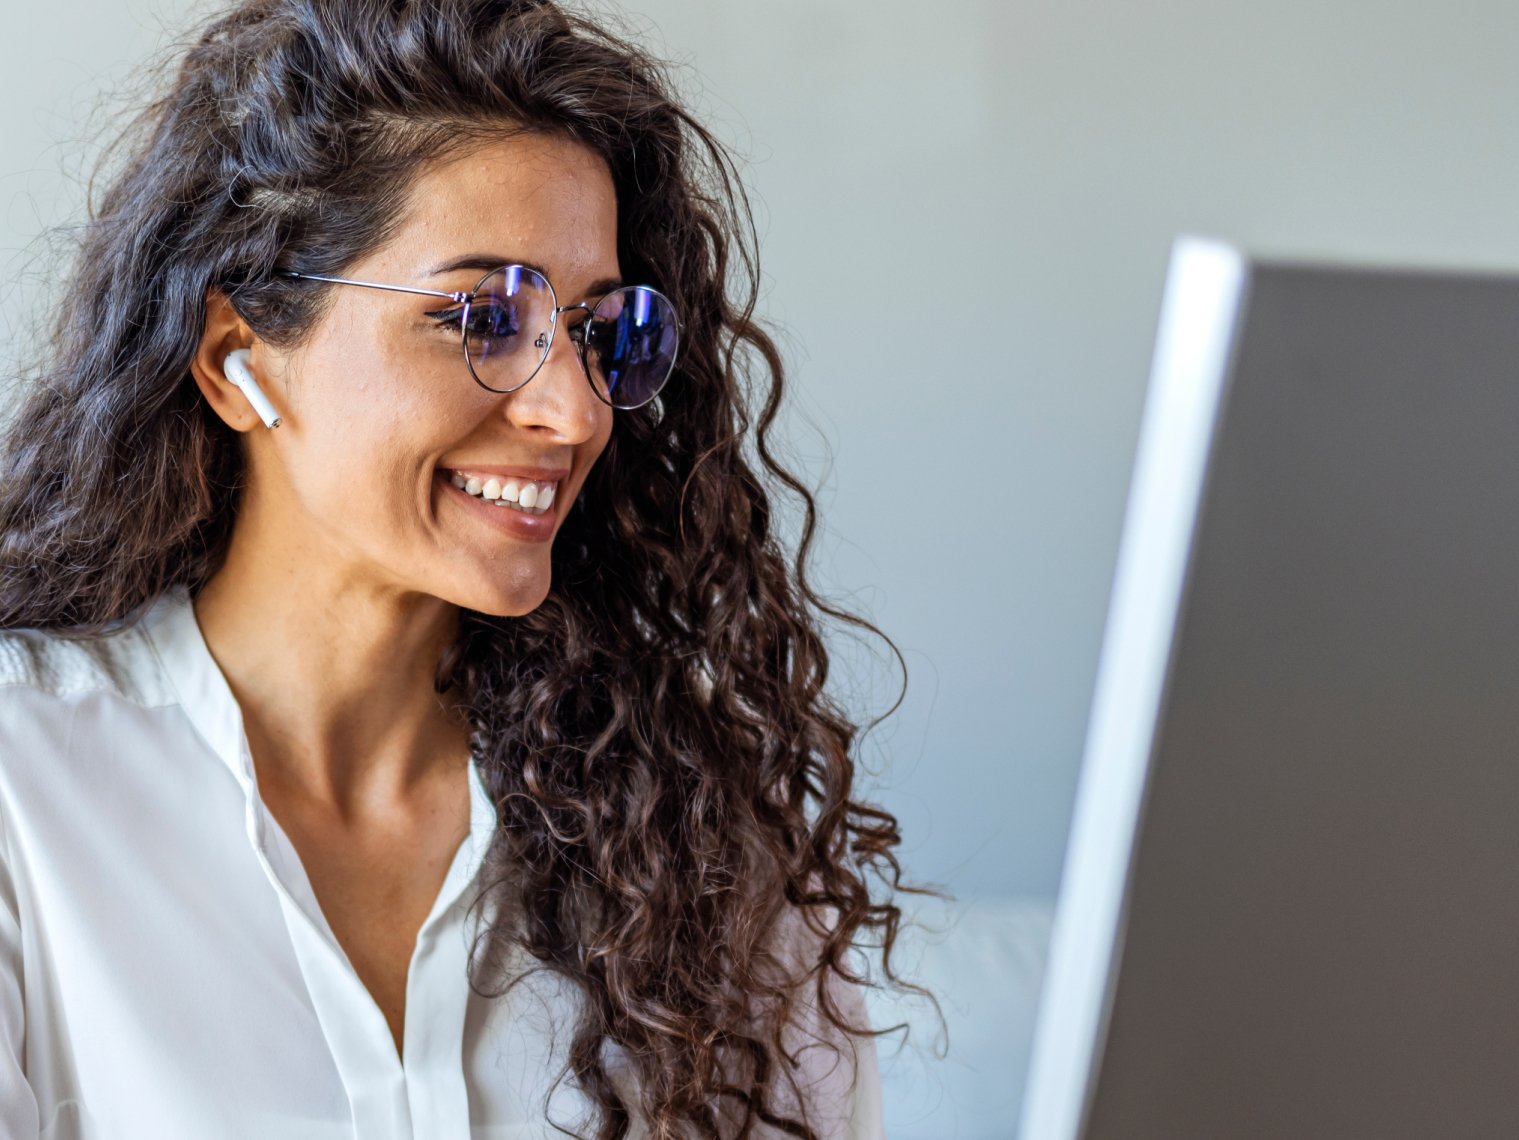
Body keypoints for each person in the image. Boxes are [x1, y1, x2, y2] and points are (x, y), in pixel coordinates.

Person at [0, 0, 943, 1136]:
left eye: (602, 331)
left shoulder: (692, 853)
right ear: (238, 357)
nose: (572, 410)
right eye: (483, 316)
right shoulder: (27, 796)